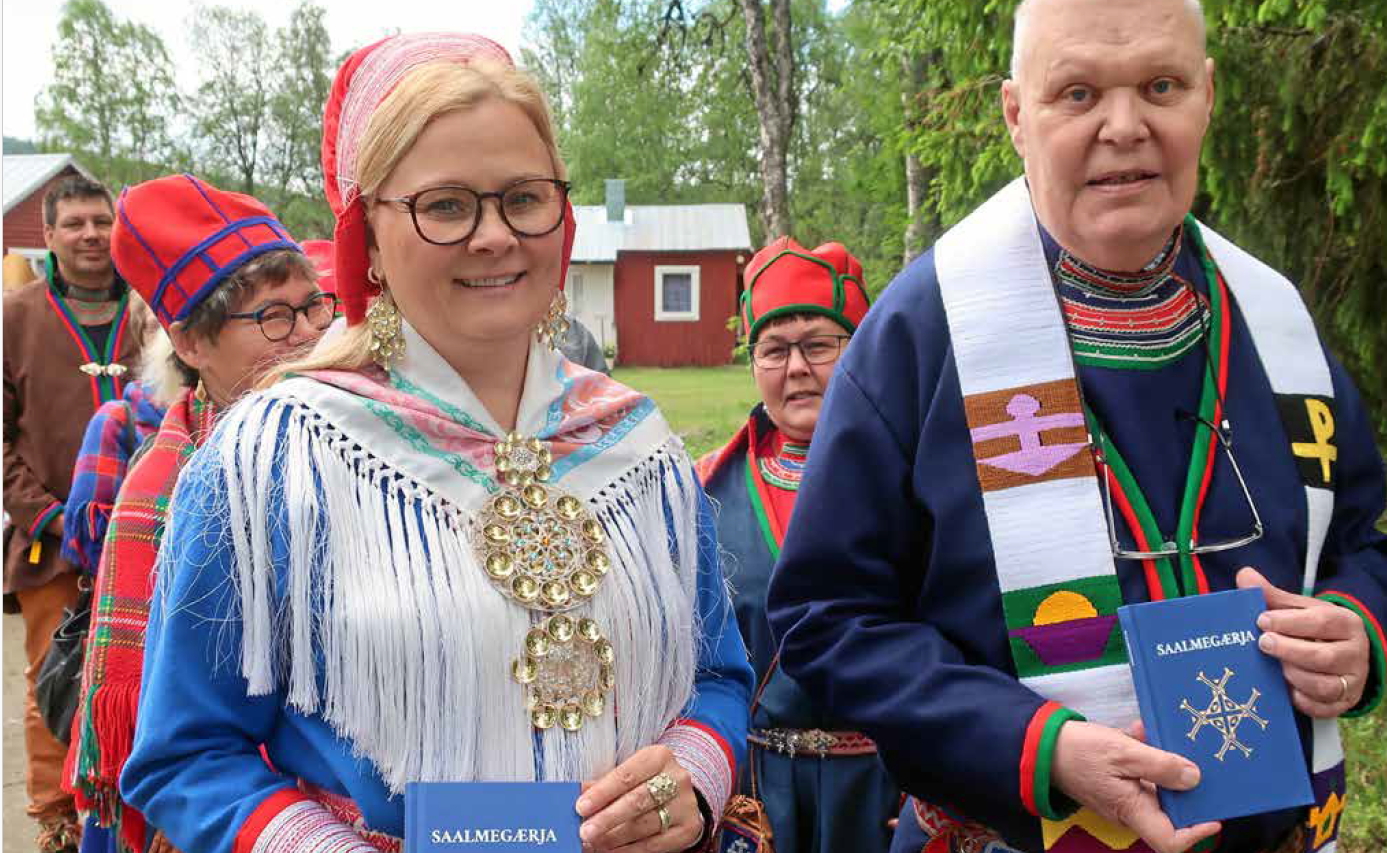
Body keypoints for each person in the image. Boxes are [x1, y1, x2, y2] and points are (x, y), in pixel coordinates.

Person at [765, 2, 1387, 853]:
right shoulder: (922, 332)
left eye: (1160, 86)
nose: (1123, 127)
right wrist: (1035, 745)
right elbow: (826, 617)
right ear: (1017, 116)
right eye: (1078, 92)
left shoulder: (1273, 317)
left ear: (1206, 97)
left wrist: (1358, 624)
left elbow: (1364, 539)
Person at [120, 33, 752, 853]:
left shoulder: (639, 447)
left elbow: (719, 676)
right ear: (368, 236)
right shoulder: (275, 460)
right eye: (445, 204)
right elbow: (187, 754)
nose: (494, 235)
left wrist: (691, 780)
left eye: (524, 197)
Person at [65, 173, 332, 853]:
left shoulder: (356, 436)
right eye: (274, 316)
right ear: (190, 344)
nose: (308, 335)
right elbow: (163, 746)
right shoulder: (162, 492)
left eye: (315, 307)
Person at [696, 237, 898, 853]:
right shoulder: (704, 491)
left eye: (818, 345)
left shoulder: (914, 481)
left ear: (859, 349)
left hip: (887, 790)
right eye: (774, 349)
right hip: (755, 797)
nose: (796, 368)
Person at [4, 175, 155, 853]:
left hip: (155, 533)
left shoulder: (157, 312)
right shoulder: (15, 318)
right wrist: (52, 516)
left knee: (144, 675)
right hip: (52, 540)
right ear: (50, 235)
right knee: (53, 678)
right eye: (76, 224)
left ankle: (138, 803)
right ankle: (59, 815)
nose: (92, 235)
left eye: (102, 221)